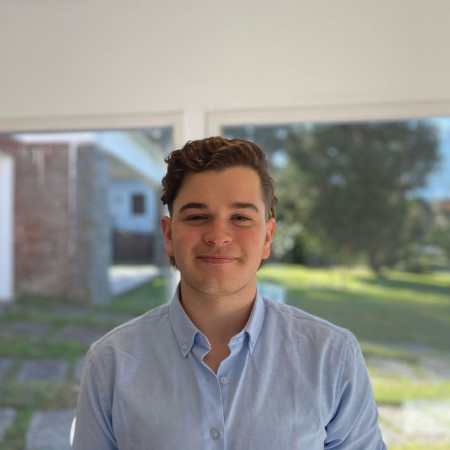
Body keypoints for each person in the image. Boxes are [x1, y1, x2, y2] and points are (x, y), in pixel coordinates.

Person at [72, 137, 386, 449]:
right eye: (197, 217)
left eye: (240, 218)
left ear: (268, 237)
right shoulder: (110, 364)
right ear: (168, 235)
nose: (218, 236)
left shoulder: (332, 356)